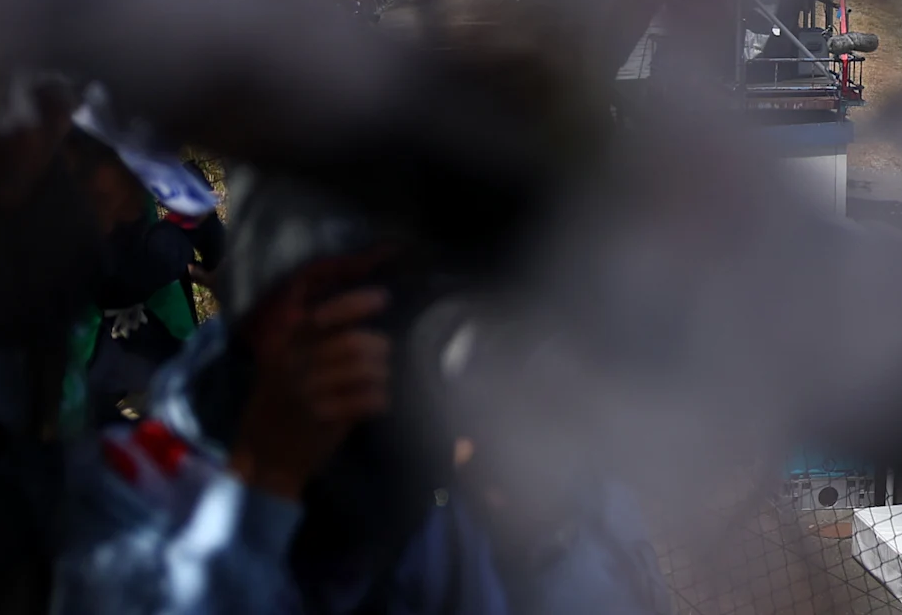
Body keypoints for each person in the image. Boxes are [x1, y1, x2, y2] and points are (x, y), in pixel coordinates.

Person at [56, 176, 669, 615]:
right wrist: (264, 481)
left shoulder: (540, 497)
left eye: (426, 292)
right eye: (355, 288)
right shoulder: (123, 496)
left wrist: (533, 537)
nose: (400, 326)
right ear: (263, 306)